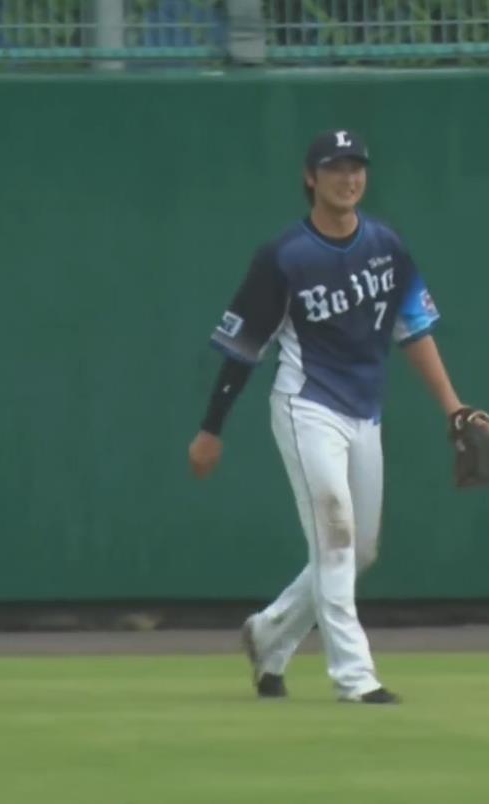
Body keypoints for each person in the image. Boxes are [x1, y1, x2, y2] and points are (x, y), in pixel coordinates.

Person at [187, 128, 468, 704]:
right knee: (336, 540)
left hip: (365, 411)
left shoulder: (386, 246)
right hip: (306, 405)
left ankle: (269, 633)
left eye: (356, 166)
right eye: (335, 167)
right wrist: (211, 429)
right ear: (310, 178)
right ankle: (355, 678)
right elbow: (243, 349)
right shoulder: (284, 256)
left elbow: (414, 329)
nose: (348, 177)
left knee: (359, 552)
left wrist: (454, 407)